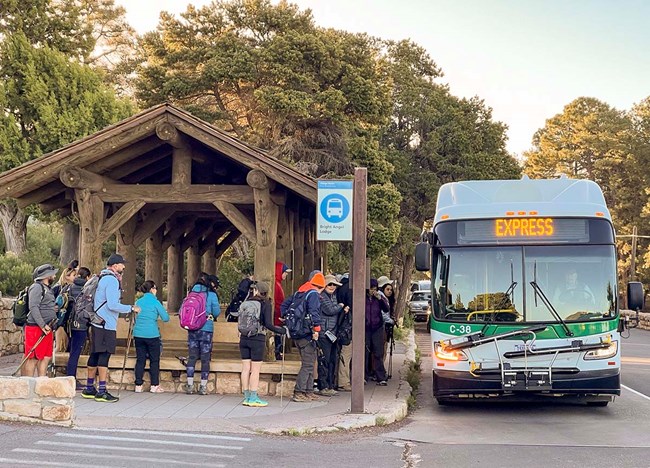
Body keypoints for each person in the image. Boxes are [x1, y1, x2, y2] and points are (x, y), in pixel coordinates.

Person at [81, 254, 140, 403]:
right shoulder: (112, 280)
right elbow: (112, 304)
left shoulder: (101, 277)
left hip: (96, 322)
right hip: (106, 323)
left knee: (95, 354)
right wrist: (131, 308)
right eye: (121, 264)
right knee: (104, 356)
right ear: (115, 266)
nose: (124, 267)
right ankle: (102, 390)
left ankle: (89, 388)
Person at [239, 281, 287, 407]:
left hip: (244, 338)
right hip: (257, 338)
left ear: (256, 291)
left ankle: (246, 396)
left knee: (245, 368)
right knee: (255, 369)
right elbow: (268, 324)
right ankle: (253, 397)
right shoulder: (266, 304)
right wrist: (281, 330)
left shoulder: (245, 303)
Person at [282, 272, 325, 402]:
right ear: (321, 286)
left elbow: (284, 305)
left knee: (310, 362)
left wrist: (285, 317)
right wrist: (316, 329)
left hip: (297, 332)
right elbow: (314, 313)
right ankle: (299, 392)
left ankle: (308, 391)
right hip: (307, 334)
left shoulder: (299, 293)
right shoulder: (313, 295)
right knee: (308, 364)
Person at [184, 272, 220, 395]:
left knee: (192, 356)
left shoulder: (191, 294)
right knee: (205, 358)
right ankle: (203, 387)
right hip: (206, 329)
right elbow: (216, 312)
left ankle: (189, 385)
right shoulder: (211, 294)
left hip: (192, 329)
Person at [133, 280, 170, 393]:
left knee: (140, 360)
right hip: (152, 334)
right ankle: (154, 385)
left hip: (138, 334)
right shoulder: (156, 302)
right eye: (155, 288)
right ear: (152, 289)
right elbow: (166, 318)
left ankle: (138, 385)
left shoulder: (138, 301)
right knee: (154, 360)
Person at [22, 264, 59, 377]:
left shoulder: (47, 288)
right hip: (36, 328)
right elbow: (33, 307)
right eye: (53, 274)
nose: (55, 275)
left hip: (47, 328)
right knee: (33, 358)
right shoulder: (37, 287)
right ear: (46, 275)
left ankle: (41, 383)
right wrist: (42, 325)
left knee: (45, 357)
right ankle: (28, 384)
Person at [317, 274, 347, 396]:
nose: (332, 286)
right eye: (329, 284)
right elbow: (330, 310)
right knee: (325, 360)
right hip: (324, 333)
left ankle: (330, 384)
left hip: (333, 333)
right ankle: (323, 386)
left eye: (334, 284)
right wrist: (340, 306)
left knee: (332, 361)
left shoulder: (335, 296)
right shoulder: (321, 297)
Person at [66, 266, 91, 388]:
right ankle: (71, 379)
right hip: (81, 323)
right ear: (87, 277)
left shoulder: (70, 287)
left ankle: (70, 377)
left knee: (72, 351)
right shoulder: (87, 288)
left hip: (70, 323)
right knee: (75, 352)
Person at [365, 278, 393, 386]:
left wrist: (380, 299)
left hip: (377, 328)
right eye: (371, 289)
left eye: (375, 289)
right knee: (366, 352)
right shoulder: (364, 299)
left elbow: (386, 309)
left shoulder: (379, 298)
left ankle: (380, 376)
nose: (373, 291)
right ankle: (364, 375)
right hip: (366, 328)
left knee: (378, 352)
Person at [336, 273, 353, 392]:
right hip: (347, 328)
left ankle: (340, 380)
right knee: (346, 354)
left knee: (341, 354)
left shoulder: (339, 289)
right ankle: (343, 382)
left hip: (340, 326)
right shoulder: (350, 290)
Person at [273, 262, 292, 359]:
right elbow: (277, 303)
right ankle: (276, 352)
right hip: (277, 316)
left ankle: (277, 351)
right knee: (277, 335)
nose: (286, 274)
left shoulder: (277, 284)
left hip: (278, 315)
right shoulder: (276, 285)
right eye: (285, 272)